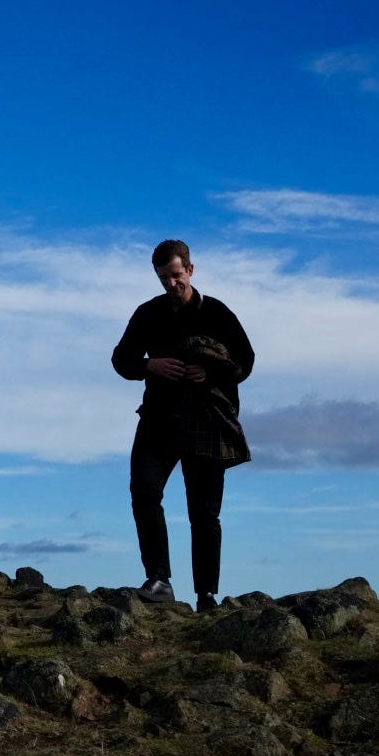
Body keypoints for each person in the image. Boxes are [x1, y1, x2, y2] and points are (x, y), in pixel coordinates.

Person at [112, 239, 253, 613]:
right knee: (144, 493)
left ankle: (206, 596)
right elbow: (121, 359)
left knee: (204, 513)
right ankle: (159, 580)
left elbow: (246, 360)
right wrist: (149, 365)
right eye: (163, 278)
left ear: (190, 270)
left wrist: (211, 372)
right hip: (158, 420)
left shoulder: (218, 313)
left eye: (176, 276)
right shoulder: (148, 314)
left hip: (207, 421)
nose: (171, 284)